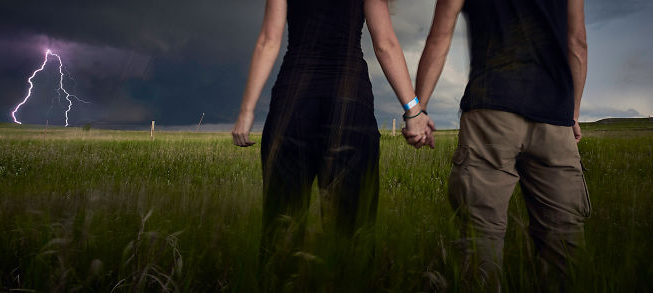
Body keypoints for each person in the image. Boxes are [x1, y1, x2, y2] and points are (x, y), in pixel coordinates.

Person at [230, 0, 433, 290]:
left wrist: (246, 112)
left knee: (282, 230)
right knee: (352, 232)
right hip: (349, 101)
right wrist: (413, 111)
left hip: (292, 103)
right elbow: (385, 44)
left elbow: (268, 41)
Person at [409, 0, 590, 290]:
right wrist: (573, 114)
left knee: (480, 239)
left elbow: (439, 38)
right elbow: (577, 43)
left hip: (490, 113)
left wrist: (419, 109)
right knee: (564, 242)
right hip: (554, 119)